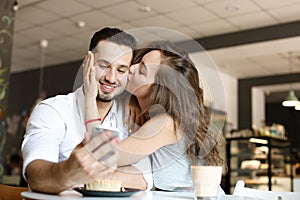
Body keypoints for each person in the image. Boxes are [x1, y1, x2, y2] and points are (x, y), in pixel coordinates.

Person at [21, 27, 152, 194]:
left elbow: (144, 178)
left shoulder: (131, 114)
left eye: (121, 70)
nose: (111, 78)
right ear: (87, 63)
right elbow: (36, 175)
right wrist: (66, 172)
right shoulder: (53, 110)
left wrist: (85, 177)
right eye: (104, 65)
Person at [85, 40, 226, 191]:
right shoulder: (157, 117)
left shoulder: (165, 124)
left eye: (142, 71)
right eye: (139, 62)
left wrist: (89, 96)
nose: (132, 68)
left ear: (158, 90)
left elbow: (102, 157)